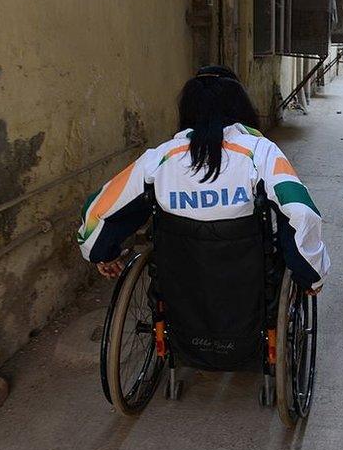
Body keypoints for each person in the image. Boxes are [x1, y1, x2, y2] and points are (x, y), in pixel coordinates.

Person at [77, 65, 329, 293]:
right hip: (248, 287)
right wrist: (310, 275)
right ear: (240, 107)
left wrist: (102, 253)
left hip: (180, 291)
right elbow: (300, 211)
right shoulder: (261, 152)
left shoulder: (159, 159)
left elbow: (98, 211)